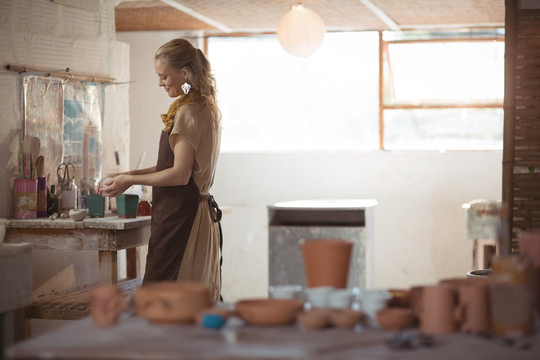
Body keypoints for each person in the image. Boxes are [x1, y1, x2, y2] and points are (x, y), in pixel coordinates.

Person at [99, 38, 223, 302]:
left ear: (185, 73)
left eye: (164, 76)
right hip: (185, 212)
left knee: (162, 298)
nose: (160, 83)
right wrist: (128, 175)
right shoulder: (204, 107)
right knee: (182, 299)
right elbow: (172, 165)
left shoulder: (188, 112)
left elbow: (179, 175)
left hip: (181, 217)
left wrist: (129, 179)